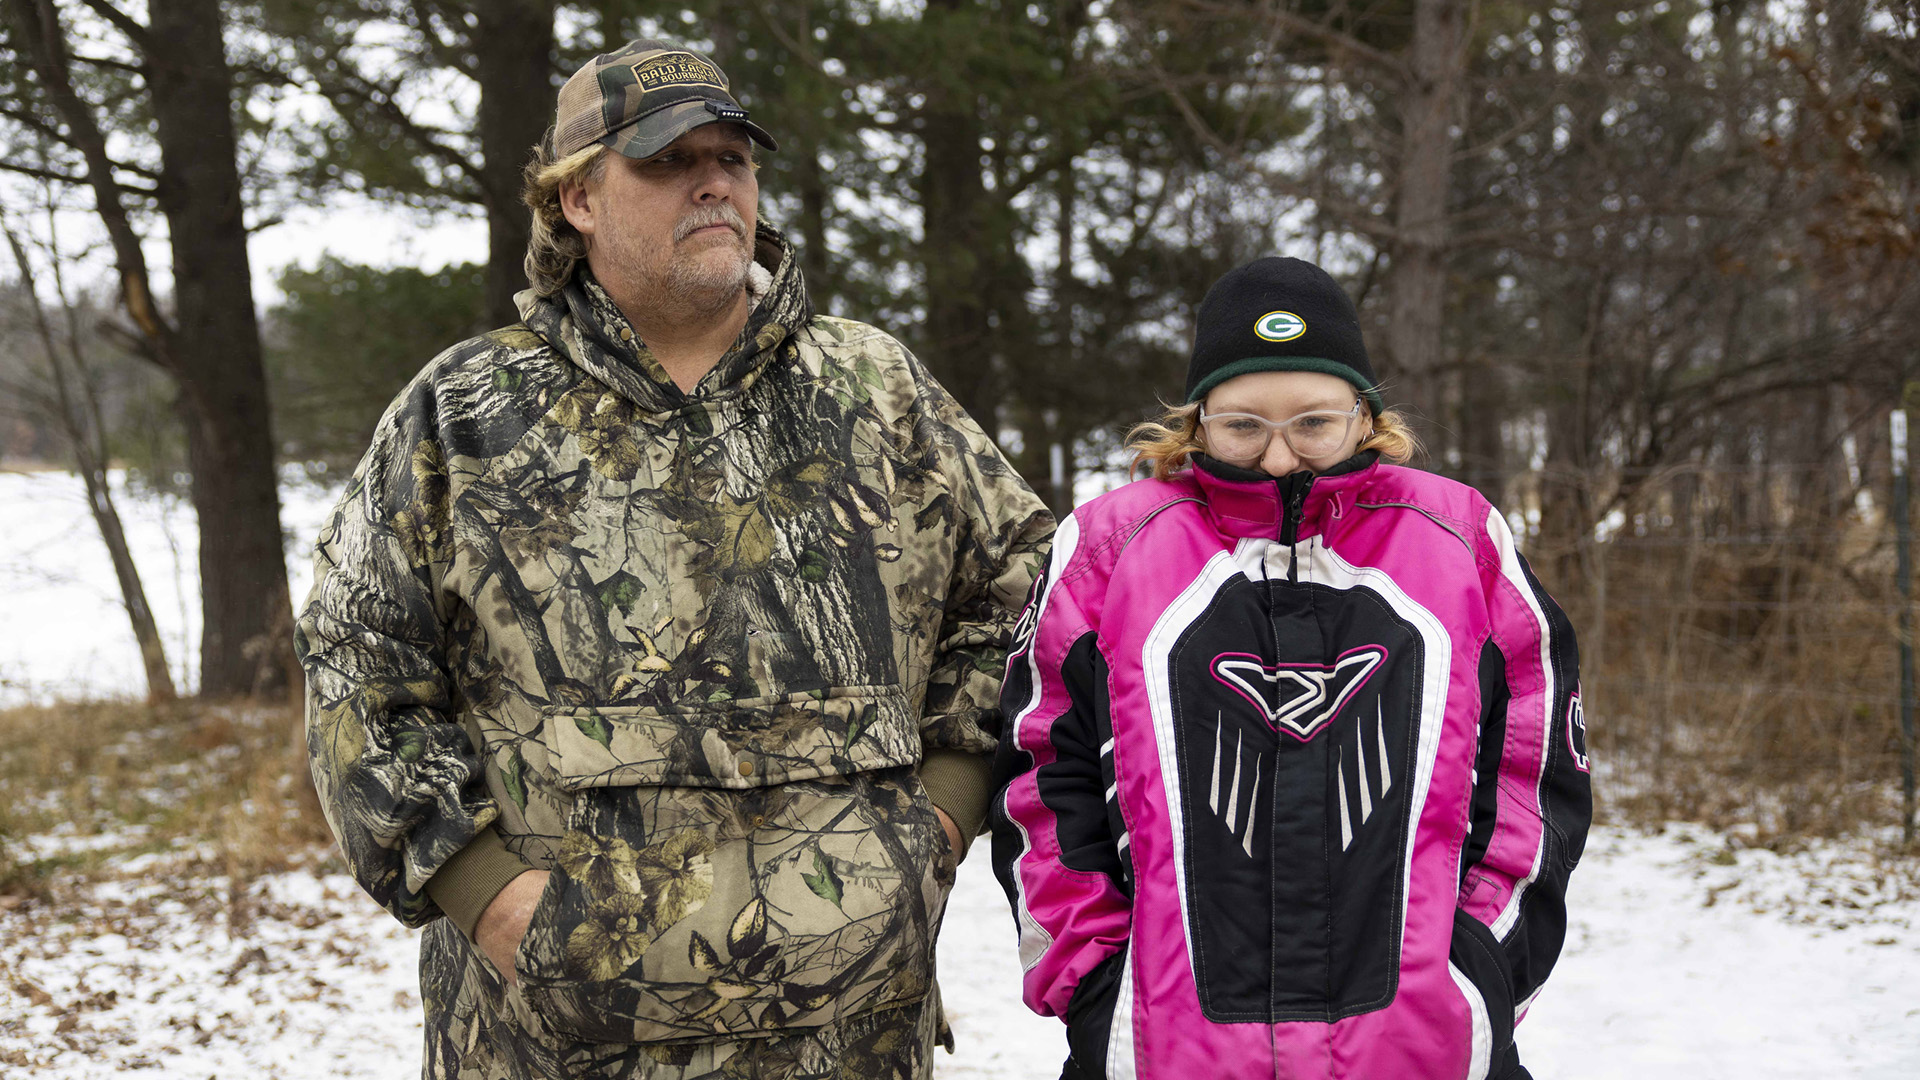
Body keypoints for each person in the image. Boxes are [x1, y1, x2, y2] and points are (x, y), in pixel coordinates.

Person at [297, 38, 1052, 1080]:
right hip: (554, 1041)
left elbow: (1022, 594)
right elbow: (358, 661)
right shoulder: (466, 415)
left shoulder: (871, 390)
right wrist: (487, 894)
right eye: (664, 160)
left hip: (847, 1031)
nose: (712, 182)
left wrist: (939, 817)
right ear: (577, 202)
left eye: (732, 157)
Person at [989, 257, 1591, 1080]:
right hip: (1164, 1048)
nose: (1279, 458)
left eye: (1313, 422)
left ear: (1364, 414)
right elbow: (1038, 773)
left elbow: (1534, 759)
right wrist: (1098, 983)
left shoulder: (1457, 538)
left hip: (1422, 1047)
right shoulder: (1108, 547)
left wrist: (1482, 963)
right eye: (1243, 425)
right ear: (1197, 420)